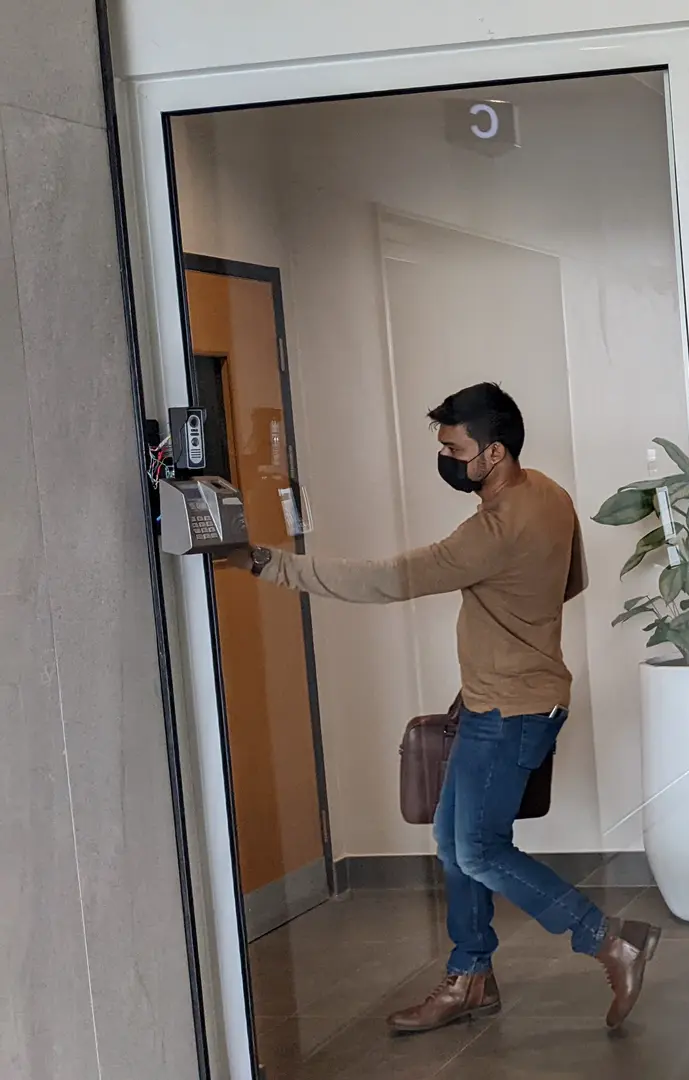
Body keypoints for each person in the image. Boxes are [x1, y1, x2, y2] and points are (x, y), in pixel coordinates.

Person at [231, 383, 660, 1034]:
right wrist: (512, 628)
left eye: (455, 450)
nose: (447, 460)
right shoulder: (550, 495)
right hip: (509, 700)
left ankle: (610, 939)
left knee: (479, 850)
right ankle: (470, 978)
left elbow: (387, 578)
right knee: (455, 846)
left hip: (511, 711)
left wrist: (268, 563)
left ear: (494, 452)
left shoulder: (492, 530)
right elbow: (570, 582)